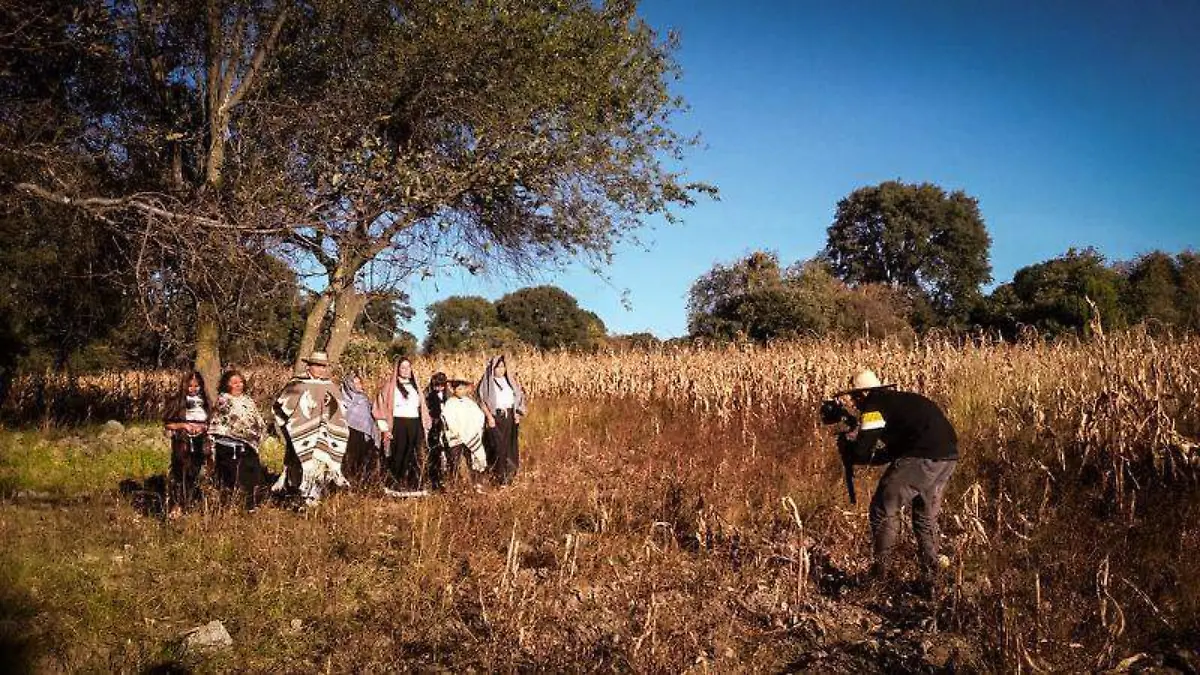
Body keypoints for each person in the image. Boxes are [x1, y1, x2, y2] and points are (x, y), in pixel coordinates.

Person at [835, 369, 959, 594]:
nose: (854, 402)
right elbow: (891, 453)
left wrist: (849, 446)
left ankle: (882, 577)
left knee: (883, 508)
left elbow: (863, 451)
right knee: (924, 516)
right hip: (947, 457)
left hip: (923, 456)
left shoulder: (875, 406)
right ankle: (934, 578)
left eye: (854, 397)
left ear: (863, 394)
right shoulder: (899, 403)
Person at [272, 351, 351, 505]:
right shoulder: (296, 384)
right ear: (309, 366)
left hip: (324, 434)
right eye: (317, 365)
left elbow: (341, 410)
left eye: (323, 366)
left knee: (319, 463)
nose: (321, 369)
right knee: (299, 464)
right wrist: (288, 428)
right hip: (300, 433)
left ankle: (313, 498)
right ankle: (295, 496)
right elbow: (280, 407)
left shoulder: (330, 385)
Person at [208, 370, 268, 509]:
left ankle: (251, 508)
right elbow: (223, 422)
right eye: (234, 383)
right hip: (227, 447)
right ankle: (228, 507)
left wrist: (258, 433)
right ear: (227, 384)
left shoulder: (248, 400)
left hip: (247, 446)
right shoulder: (223, 400)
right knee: (230, 479)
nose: (238, 385)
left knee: (253, 478)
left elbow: (256, 420)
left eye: (241, 382)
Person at [372, 357, 432, 490]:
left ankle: (413, 485)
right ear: (397, 369)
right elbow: (379, 407)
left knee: (414, 455)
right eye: (402, 367)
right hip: (398, 424)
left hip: (415, 424)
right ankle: (394, 484)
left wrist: (425, 424)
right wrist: (385, 429)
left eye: (408, 367)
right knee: (398, 454)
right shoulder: (389, 387)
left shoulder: (415, 386)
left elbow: (422, 408)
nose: (405, 370)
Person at [162, 371, 210, 516]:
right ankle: (176, 505)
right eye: (190, 386)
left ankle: (190, 504)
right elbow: (168, 424)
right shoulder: (177, 402)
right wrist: (183, 426)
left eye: (197, 386)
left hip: (201, 442)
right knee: (180, 473)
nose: (193, 389)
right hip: (182, 442)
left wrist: (203, 428)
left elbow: (212, 423)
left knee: (196, 474)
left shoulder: (206, 402)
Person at [476, 355, 527, 486]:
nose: (501, 370)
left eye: (503, 367)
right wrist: (489, 417)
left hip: (510, 417)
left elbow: (518, 397)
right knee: (498, 447)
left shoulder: (509, 381)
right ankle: (498, 476)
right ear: (492, 368)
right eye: (498, 367)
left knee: (510, 447)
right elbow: (481, 401)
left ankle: (509, 475)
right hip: (495, 417)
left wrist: (517, 413)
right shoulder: (487, 383)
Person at [439, 373, 488, 490]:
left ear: (467, 389)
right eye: (457, 388)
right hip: (457, 437)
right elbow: (448, 419)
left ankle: (475, 484)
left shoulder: (470, 403)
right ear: (453, 389)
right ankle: (455, 486)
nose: (460, 391)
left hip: (471, 436)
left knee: (473, 459)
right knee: (455, 461)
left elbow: (479, 417)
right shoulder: (450, 403)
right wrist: (458, 432)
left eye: (462, 388)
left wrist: (474, 430)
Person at [341, 373, 383, 487]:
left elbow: (370, 418)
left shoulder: (364, 399)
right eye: (356, 383)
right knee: (350, 460)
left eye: (360, 382)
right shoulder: (343, 399)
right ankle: (349, 485)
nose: (359, 385)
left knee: (365, 460)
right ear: (349, 385)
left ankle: (364, 485)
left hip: (365, 435)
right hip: (350, 434)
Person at [424, 372, 451, 490]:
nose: (438, 388)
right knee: (434, 454)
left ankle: (446, 479)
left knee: (448, 454)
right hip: (434, 428)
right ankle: (435, 481)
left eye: (441, 385)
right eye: (436, 385)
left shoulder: (448, 396)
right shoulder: (428, 395)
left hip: (447, 428)